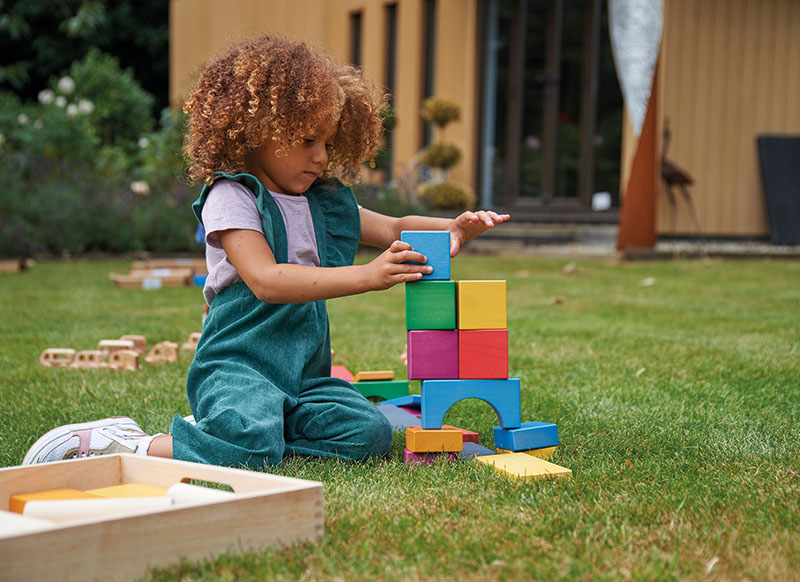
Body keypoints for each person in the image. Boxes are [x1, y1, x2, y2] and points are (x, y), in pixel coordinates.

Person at [22, 35, 510, 469]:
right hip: (238, 365)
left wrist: (454, 228)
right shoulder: (231, 197)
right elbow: (266, 280)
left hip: (303, 376)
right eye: (305, 140)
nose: (320, 155)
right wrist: (367, 276)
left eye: (327, 141)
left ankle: (246, 429)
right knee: (249, 449)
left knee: (369, 434)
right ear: (256, 130)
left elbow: (397, 227)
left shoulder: (321, 200)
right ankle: (132, 444)